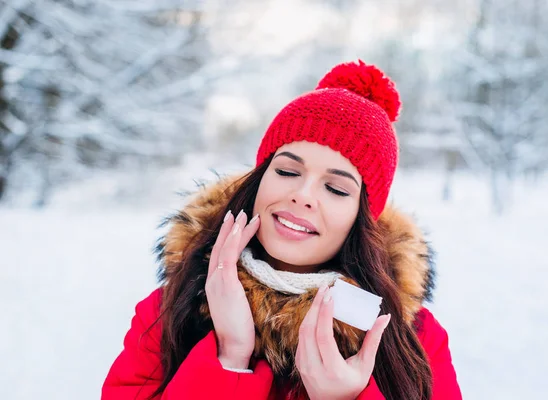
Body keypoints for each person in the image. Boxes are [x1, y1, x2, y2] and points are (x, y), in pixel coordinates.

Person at [102, 60, 462, 400]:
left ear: (362, 217)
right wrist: (229, 358)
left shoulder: (412, 336)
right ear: (259, 180)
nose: (302, 196)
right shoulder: (172, 308)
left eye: (336, 189)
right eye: (288, 172)